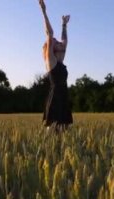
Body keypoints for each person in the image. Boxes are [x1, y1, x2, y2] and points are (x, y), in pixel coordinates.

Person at [39, 0, 73, 132]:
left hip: (64, 98)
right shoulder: (51, 60)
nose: (59, 42)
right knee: (52, 134)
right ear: (51, 47)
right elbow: (50, 34)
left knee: (66, 134)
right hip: (54, 100)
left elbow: (65, 41)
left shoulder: (60, 61)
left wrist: (64, 25)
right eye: (55, 42)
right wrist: (44, 11)